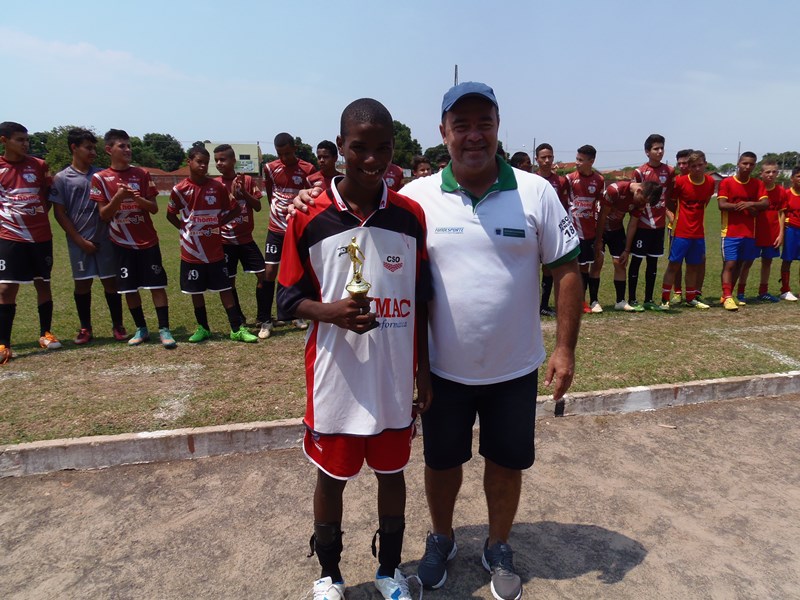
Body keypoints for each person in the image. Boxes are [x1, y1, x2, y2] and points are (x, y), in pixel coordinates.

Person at [294, 82, 582, 600]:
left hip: (514, 367)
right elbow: (359, 207)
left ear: (497, 128)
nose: (474, 135)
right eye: (462, 125)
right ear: (443, 133)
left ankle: (497, 545)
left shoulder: (537, 191)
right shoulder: (417, 200)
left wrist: (565, 349)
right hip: (444, 372)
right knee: (440, 464)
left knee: (506, 463)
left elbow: (566, 272)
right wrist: (308, 197)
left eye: (484, 124)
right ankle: (441, 539)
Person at [277, 98, 432, 600]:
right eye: (359, 147)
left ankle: (389, 571)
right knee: (332, 478)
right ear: (339, 147)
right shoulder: (310, 216)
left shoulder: (409, 216)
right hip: (335, 379)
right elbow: (286, 300)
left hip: (392, 376)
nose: (372, 159)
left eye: (382, 148)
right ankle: (329, 575)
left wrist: (423, 373)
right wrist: (333, 312)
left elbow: (423, 298)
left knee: (392, 472)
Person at [90, 129, 176, 348]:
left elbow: (154, 209)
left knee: (157, 286)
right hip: (120, 244)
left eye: (129, 146)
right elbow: (104, 215)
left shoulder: (141, 174)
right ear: (109, 150)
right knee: (129, 288)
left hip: (147, 241)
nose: (128, 150)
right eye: (122, 146)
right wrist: (119, 197)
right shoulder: (100, 178)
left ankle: (164, 329)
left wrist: (137, 199)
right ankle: (141, 329)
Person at [167, 146, 257, 343]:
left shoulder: (217, 188)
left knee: (225, 288)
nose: (203, 166)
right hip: (191, 251)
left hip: (215, 249)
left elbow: (233, 210)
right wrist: (184, 230)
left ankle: (236, 328)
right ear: (189, 161)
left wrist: (217, 223)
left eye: (205, 163)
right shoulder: (179, 189)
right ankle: (203, 328)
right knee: (196, 291)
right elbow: (170, 215)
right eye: (199, 161)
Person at [51, 128, 127, 345]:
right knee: (82, 285)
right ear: (74, 148)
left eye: (94, 147)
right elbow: (59, 213)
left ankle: (118, 325)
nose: (93, 151)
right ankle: (85, 328)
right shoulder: (62, 178)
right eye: (88, 147)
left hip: (105, 239)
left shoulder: (102, 175)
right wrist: (79, 240)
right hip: (79, 242)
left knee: (111, 283)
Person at [0, 121, 60, 364]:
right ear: (4, 141)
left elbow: (46, 198)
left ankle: (45, 333)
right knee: (5, 289)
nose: (25, 144)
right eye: (19, 140)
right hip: (10, 237)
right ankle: (4, 342)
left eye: (27, 140)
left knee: (42, 284)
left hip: (40, 236)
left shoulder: (38, 165)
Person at [213, 144, 271, 335]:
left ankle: (263, 317)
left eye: (223, 159)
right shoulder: (215, 184)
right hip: (225, 241)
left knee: (263, 275)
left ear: (233, 161)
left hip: (246, 239)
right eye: (217, 160)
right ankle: (238, 318)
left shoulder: (246, 180)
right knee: (229, 282)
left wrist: (243, 193)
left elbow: (258, 207)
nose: (219, 163)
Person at [262, 132, 316, 336]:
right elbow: (270, 192)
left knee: (297, 272)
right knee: (269, 272)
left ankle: (296, 314)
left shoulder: (307, 169)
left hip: (296, 229)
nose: (284, 158)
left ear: (294, 148)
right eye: (280, 154)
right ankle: (266, 320)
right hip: (275, 229)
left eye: (287, 153)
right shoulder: (270, 168)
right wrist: (277, 214)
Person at [590, 180, 662, 311]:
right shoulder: (615, 190)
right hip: (599, 228)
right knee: (597, 262)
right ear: (639, 191)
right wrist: (598, 240)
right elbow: (602, 215)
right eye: (644, 200)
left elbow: (632, 224)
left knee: (620, 263)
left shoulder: (640, 201)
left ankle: (620, 301)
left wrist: (627, 249)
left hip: (617, 229)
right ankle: (594, 301)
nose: (643, 204)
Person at [660, 151, 716, 309]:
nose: (697, 168)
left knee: (693, 266)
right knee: (673, 265)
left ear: (706, 164)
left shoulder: (710, 182)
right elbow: (670, 202)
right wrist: (673, 217)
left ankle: (691, 297)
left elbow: (704, 203)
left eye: (700, 165)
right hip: (681, 231)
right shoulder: (681, 182)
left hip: (698, 233)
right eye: (693, 166)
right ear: (689, 168)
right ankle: (665, 299)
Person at [717, 152, 769, 311]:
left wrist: (750, 204)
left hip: (749, 232)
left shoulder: (757, 184)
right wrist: (743, 206)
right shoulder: (727, 182)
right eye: (745, 163)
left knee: (740, 264)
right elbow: (722, 205)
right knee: (730, 264)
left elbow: (765, 203)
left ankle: (728, 295)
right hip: (730, 232)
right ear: (738, 163)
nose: (747, 167)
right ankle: (727, 297)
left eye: (751, 164)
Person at [629, 133, 674, 311]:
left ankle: (648, 299)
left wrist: (669, 212)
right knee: (637, 261)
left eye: (662, 148)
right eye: (656, 148)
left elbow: (668, 196)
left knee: (653, 262)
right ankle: (632, 299)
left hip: (659, 225)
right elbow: (636, 197)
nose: (660, 151)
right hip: (643, 224)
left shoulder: (669, 171)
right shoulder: (640, 172)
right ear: (647, 151)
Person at [736, 159, 784, 303]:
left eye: (774, 172)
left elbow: (782, 213)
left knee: (767, 262)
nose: (771, 175)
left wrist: (781, 234)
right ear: (761, 173)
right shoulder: (755, 188)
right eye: (767, 172)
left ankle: (763, 291)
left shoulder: (780, 191)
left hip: (772, 234)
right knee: (747, 262)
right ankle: (740, 292)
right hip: (754, 233)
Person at [566, 145, 605, 313]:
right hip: (571, 231)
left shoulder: (599, 180)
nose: (577, 163)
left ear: (592, 161)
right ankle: (570, 300)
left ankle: (583, 301)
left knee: (585, 267)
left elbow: (599, 206)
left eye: (581, 160)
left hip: (589, 231)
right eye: (577, 159)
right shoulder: (568, 179)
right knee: (570, 267)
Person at [534, 143, 569, 317]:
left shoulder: (561, 181)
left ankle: (544, 305)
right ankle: (529, 305)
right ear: (537, 160)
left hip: (551, 230)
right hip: (532, 230)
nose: (547, 161)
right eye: (543, 157)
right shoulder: (530, 180)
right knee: (530, 267)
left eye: (550, 157)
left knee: (548, 268)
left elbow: (563, 207)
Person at [668, 148, 693, 302]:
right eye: (679, 163)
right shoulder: (675, 181)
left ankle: (695, 292)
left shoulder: (701, 181)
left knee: (696, 262)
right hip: (676, 228)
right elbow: (664, 200)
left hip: (696, 230)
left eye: (685, 163)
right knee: (675, 262)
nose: (682, 166)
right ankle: (677, 292)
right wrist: (669, 214)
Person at [778, 166, 800, 301]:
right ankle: (785, 289)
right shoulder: (787, 194)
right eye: (798, 176)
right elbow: (781, 213)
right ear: (792, 178)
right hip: (791, 230)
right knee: (788, 259)